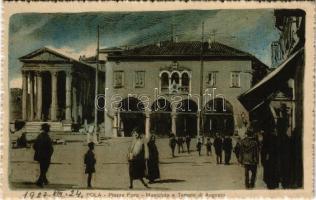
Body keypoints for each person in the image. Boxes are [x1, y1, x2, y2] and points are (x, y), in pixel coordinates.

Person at [33, 123, 54, 187]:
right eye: (48, 128)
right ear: (47, 129)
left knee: (43, 168)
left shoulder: (40, 136)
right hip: (46, 155)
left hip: (40, 155)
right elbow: (49, 147)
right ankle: (40, 181)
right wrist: (49, 152)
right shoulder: (46, 137)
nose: (49, 129)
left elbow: (34, 145)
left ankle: (44, 180)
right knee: (45, 168)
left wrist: (38, 151)